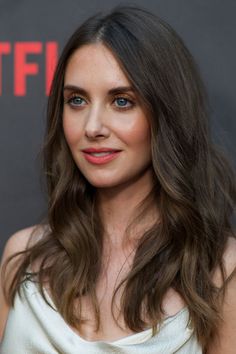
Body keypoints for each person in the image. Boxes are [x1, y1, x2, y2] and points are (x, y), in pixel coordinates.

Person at [0, 5, 236, 354]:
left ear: (166, 113)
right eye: (77, 100)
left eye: (122, 101)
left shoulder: (222, 273)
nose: (93, 127)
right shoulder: (22, 256)